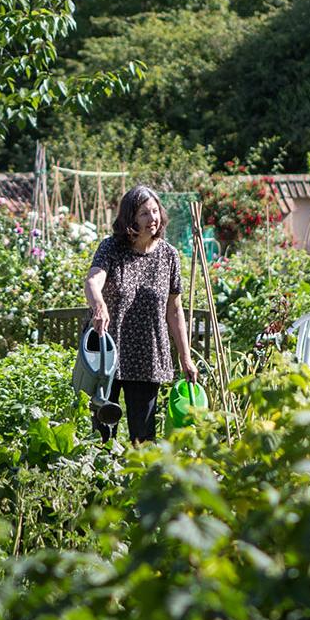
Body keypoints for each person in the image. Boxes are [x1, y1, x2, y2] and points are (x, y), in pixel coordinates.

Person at [85, 184, 200, 442]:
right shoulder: (111, 248)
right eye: (144, 214)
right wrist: (99, 305)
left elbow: (174, 309)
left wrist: (185, 356)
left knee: (144, 436)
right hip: (109, 352)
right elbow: (93, 281)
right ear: (130, 219)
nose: (153, 218)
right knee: (103, 432)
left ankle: (141, 479)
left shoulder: (168, 255)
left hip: (148, 353)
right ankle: (101, 480)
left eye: (155, 211)